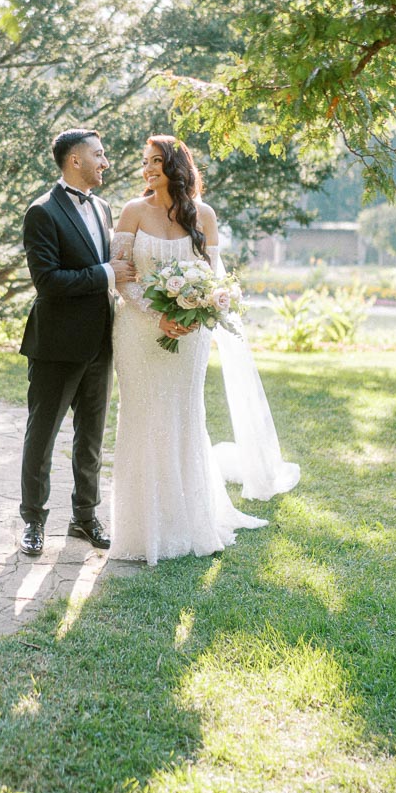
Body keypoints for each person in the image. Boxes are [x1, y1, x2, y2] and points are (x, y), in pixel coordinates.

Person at [109, 134, 300, 565]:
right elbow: (123, 277)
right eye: (145, 162)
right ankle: (141, 528)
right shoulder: (132, 212)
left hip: (190, 335)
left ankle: (186, 520)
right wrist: (157, 316)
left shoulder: (204, 216)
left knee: (183, 418)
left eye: (157, 161)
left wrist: (192, 311)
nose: (148, 169)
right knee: (142, 420)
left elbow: (210, 280)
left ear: (176, 166)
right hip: (140, 331)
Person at [18, 129, 136, 557]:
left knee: (91, 439)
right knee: (43, 435)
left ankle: (84, 518)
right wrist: (108, 274)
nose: (105, 162)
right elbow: (48, 283)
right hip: (55, 346)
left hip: (100, 344)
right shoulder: (42, 212)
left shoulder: (103, 207)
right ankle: (33, 520)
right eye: (99, 154)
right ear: (75, 161)